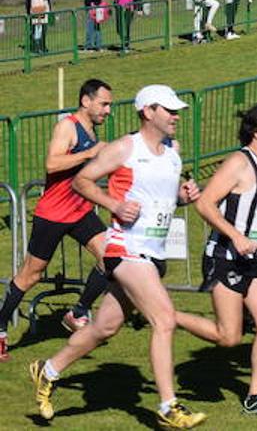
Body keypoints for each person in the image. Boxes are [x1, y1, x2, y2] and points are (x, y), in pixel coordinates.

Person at [28, 84, 206, 429]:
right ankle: (169, 406)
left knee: (105, 327)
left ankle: (47, 370)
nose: (175, 116)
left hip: (153, 252)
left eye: (176, 110)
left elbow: (163, 197)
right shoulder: (125, 148)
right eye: (169, 110)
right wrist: (114, 205)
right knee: (164, 320)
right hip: (125, 249)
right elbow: (81, 181)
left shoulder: (173, 152)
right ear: (147, 112)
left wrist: (184, 197)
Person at [173, 103, 257, 417]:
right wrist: (236, 236)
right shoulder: (238, 162)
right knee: (229, 337)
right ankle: (167, 315)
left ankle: (255, 397)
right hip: (225, 257)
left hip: (253, 258)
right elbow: (205, 204)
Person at [0, 79, 114, 360]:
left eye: (109, 105)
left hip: (80, 211)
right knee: (31, 275)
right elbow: (52, 164)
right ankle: (0, 327)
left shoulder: (92, 130)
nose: (108, 110)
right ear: (86, 101)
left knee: (110, 256)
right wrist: (90, 153)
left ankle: (78, 312)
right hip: (53, 214)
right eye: (104, 104)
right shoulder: (67, 127)